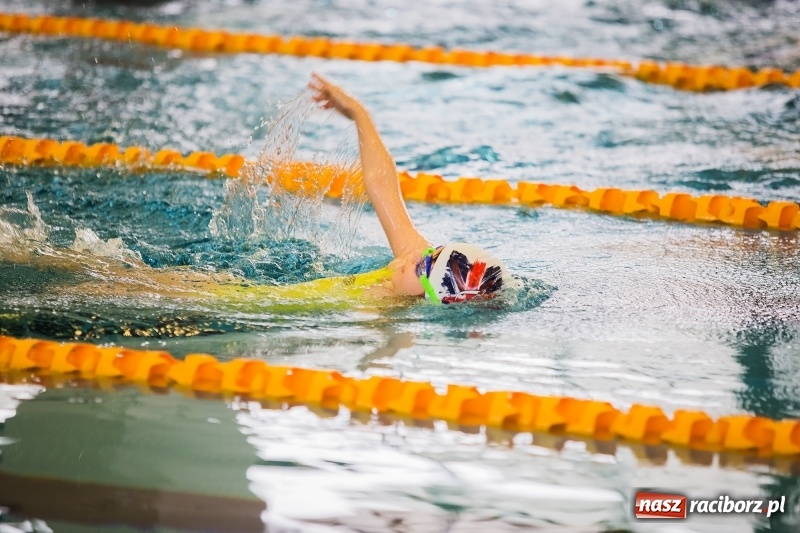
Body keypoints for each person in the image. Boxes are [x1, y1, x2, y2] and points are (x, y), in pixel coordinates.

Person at [307, 73, 514, 305]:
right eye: (430, 253)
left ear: (431, 295)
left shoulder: (383, 313)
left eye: (422, 267)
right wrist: (358, 112)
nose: (416, 254)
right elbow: (381, 184)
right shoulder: (409, 267)